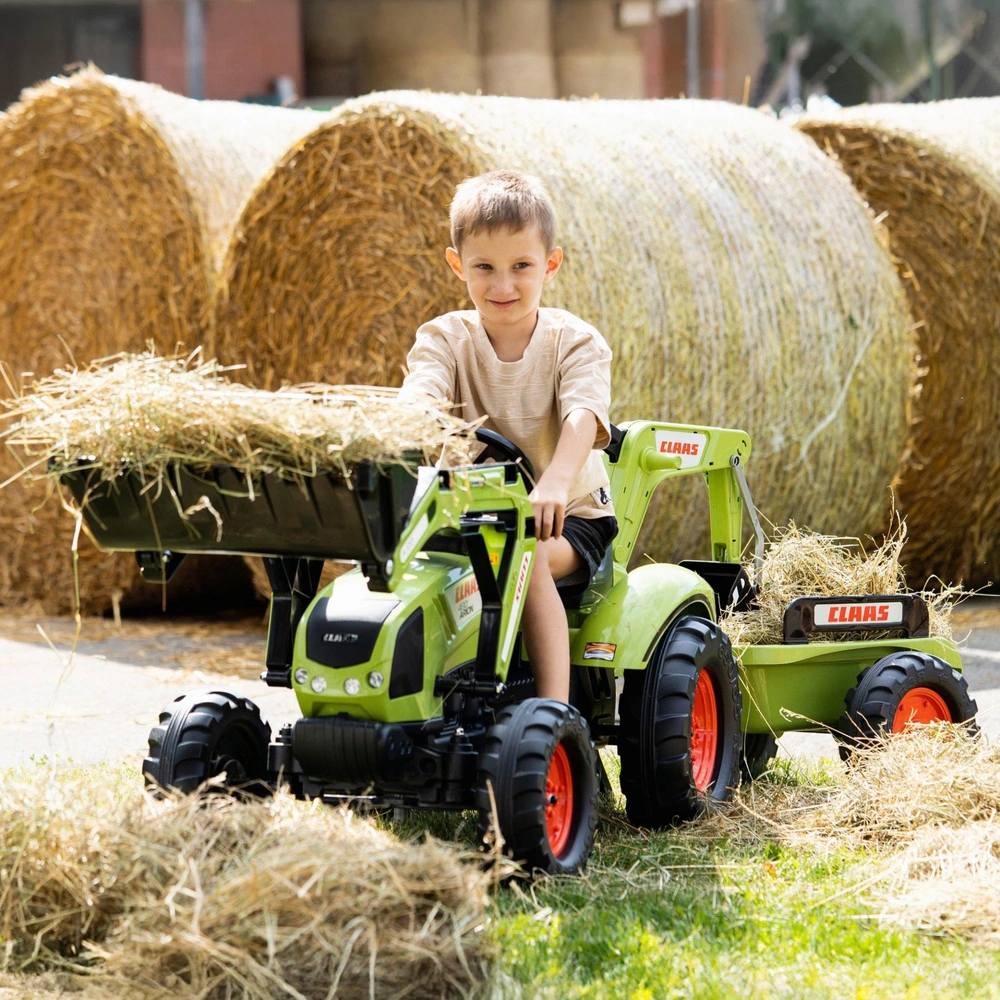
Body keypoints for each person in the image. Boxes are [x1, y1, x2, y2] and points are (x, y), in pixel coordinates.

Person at [399, 169, 617, 704]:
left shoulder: (575, 342)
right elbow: (418, 396)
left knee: (526, 554)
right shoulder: (444, 339)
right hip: (470, 512)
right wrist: (414, 420)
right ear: (457, 265)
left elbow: (583, 416)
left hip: (568, 520)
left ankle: (554, 715)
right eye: (484, 268)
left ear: (550, 263)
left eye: (521, 266)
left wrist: (555, 484)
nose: (503, 285)